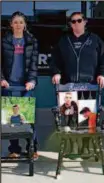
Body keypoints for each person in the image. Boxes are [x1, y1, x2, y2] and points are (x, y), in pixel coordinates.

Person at [1, 11, 39, 160]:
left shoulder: (31, 41)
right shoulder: (4, 41)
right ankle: (14, 149)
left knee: (28, 118)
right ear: (11, 24)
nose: (18, 25)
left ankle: (33, 148)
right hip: (9, 85)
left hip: (26, 86)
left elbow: (34, 64)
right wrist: (2, 79)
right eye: (15, 22)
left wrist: (31, 80)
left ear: (25, 25)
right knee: (11, 119)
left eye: (21, 22)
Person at [50, 12, 104, 91]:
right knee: (68, 104)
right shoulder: (64, 40)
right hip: (67, 85)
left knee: (88, 104)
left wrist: (102, 74)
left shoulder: (95, 39)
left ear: (84, 22)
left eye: (79, 20)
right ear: (70, 24)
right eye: (73, 21)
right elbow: (55, 59)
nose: (76, 23)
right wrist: (56, 73)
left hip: (90, 85)